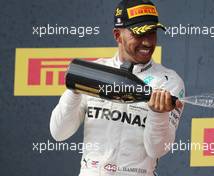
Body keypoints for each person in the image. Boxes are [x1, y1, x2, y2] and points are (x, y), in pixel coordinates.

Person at [50, 0, 185, 175]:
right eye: (139, 34)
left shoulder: (168, 82)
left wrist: (158, 114)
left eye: (152, 33)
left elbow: (157, 150)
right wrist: (74, 90)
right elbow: (59, 132)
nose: (147, 42)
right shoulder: (93, 73)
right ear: (117, 35)